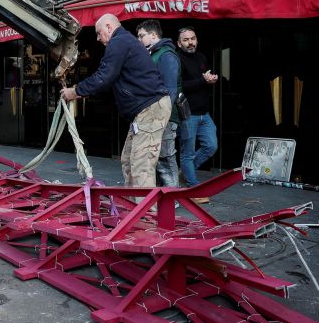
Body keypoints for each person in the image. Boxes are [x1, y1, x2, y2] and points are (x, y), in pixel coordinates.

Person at [61, 14, 171, 188]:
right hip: (145, 110)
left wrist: (75, 91)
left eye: (99, 33)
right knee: (128, 159)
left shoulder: (118, 42)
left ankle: (146, 213)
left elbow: (104, 77)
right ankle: (134, 206)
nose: (97, 38)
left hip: (150, 108)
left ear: (109, 27)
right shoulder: (124, 42)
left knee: (141, 164)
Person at [136, 19, 180, 188]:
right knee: (158, 157)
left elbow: (171, 90)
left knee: (165, 157)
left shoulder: (166, 55)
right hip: (158, 115)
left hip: (165, 116)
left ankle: (172, 197)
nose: (138, 40)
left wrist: (163, 116)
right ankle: (165, 196)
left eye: (141, 36)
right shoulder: (155, 53)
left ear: (153, 35)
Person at [176, 26, 218, 200]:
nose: (190, 42)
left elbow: (203, 79)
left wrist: (210, 79)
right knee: (187, 153)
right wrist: (203, 80)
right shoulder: (177, 60)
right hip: (187, 114)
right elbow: (180, 86)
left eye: (192, 38)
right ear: (179, 44)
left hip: (204, 113)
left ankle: (186, 172)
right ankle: (193, 190)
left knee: (211, 146)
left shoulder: (201, 57)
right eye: (185, 40)